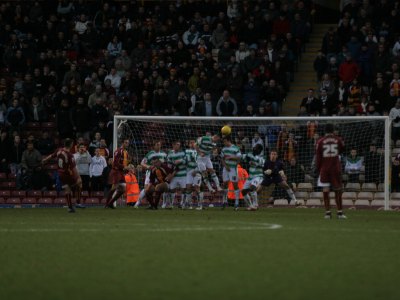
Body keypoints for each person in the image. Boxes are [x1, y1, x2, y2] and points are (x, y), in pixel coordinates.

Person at [42, 139, 83, 213]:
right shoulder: (70, 155)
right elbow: (73, 168)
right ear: (71, 144)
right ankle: (77, 202)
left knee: (67, 189)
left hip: (60, 173)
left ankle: (70, 207)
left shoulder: (59, 150)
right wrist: (78, 177)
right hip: (68, 173)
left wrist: (45, 159)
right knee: (79, 183)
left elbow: (51, 155)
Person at [315, 124, 346, 219]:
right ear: (333, 130)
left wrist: (318, 169)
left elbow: (318, 157)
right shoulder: (338, 139)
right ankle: (340, 213)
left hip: (325, 169)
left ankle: (328, 213)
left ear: (325, 131)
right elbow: (342, 149)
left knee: (325, 190)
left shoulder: (320, 141)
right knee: (338, 190)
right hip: (335, 168)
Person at [138, 141, 167, 207]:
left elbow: (166, 163)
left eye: (159, 144)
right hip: (150, 173)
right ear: (154, 146)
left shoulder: (164, 154)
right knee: (147, 189)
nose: (158, 146)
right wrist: (148, 166)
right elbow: (142, 163)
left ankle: (161, 204)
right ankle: (138, 202)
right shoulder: (150, 154)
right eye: (157, 144)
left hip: (160, 174)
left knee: (159, 188)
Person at [104, 138, 130, 208]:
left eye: (128, 143)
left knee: (123, 189)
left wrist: (127, 168)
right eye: (126, 142)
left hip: (121, 172)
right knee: (114, 187)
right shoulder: (118, 151)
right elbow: (115, 163)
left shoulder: (126, 152)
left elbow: (125, 163)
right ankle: (107, 204)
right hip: (116, 171)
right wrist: (124, 167)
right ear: (122, 143)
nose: (127, 144)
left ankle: (110, 203)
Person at [220, 136, 242, 210]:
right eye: (223, 142)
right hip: (226, 169)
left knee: (235, 184)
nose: (224, 143)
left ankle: (236, 203)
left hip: (233, 169)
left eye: (225, 141)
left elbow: (239, 157)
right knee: (225, 184)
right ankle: (224, 201)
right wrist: (225, 166)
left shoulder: (236, 148)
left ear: (229, 141)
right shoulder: (224, 149)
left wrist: (230, 157)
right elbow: (222, 159)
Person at [242, 144, 265, 210]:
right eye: (254, 147)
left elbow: (262, 164)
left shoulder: (261, 157)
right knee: (243, 192)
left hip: (258, 176)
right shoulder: (249, 154)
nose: (254, 149)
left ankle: (255, 205)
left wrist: (252, 160)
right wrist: (245, 158)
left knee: (252, 188)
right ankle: (251, 206)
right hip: (250, 176)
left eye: (256, 148)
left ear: (259, 151)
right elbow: (242, 157)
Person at [166, 141, 187, 209]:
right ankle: (171, 204)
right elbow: (169, 164)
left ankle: (182, 204)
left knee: (183, 189)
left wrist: (180, 161)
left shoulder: (183, 152)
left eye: (179, 145)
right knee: (172, 189)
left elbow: (186, 161)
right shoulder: (170, 153)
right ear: (173, 145)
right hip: (174, 175)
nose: (178, 146)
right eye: (177, 144)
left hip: (183, 174)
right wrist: (169, 173)